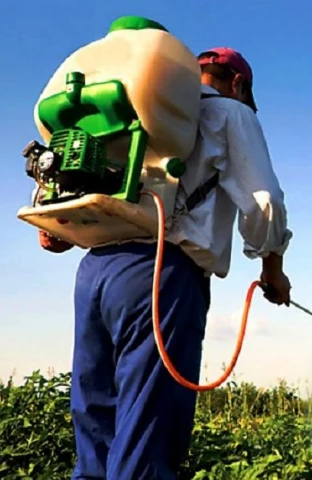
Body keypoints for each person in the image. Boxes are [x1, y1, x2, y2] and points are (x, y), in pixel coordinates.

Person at [37, 47, 293, 479]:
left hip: (95, 271)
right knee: (147, 433)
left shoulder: (136, 104)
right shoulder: (230, 112)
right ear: (238, 84)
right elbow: (263, 200)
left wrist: (58, 225)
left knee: (95, 423)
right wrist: (272, 268)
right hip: (160, 274)